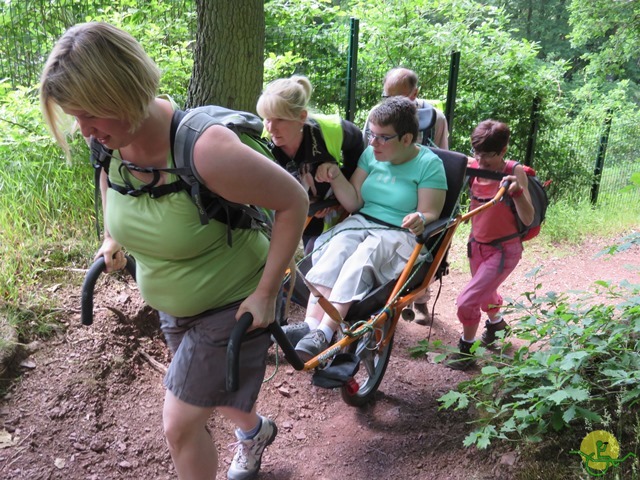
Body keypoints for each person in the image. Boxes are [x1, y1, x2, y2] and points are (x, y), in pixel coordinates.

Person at [40, 22, 308, 480]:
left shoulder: (207, 150)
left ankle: (247, 436)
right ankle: (256, 432)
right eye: (74, 116)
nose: (83, 129)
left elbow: (294, 202)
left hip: (232, 303)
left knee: (180, 424)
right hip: (174, 306)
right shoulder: (109, 144)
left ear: (122, 92)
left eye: (88, 114)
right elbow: (110, 184)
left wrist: (266, 294)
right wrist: (112, 237)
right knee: (212, 395)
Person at [287, 96, 448, 360]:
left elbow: (431, 211)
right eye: (371, 134)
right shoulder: (371, 156)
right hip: (362, 222)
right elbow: (354, 201)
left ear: (407, 139)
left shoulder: (429, 164)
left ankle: (324, 334)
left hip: (398, 233)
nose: (372, 142)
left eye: (383, 137)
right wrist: (335, 175)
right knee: (336, 250)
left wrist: (420, 217)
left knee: (361, 259)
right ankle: (310, 327)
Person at [364, 67, 450, 324]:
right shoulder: (377, 116)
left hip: (421, 187)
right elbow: (368, 150)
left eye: (398, 96)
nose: (391, 102)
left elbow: (443, 153)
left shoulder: (436, 118)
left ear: (415, 94)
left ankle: (420, 299)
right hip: (388, 186)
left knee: (425, 237)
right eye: (386, 97)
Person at [447, 119, 534, 370]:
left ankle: (467, 349)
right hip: (477, 246)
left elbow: (527, 218)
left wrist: (516, 192)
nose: (481, 161)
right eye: (478, 153)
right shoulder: (472, 164)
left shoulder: (514, 171)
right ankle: (497, 324)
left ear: (503, 151)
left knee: (467, 300)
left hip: (504, 250)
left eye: (488, 156)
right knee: (485, 294)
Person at [256, 75, 365, 253]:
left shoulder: (331, 130)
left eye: (280, 119)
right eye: (266, 118)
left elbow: (357, 143)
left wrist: (343, 188)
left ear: (301, 117)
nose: (270, 128)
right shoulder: (262, 142)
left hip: (330, 219)